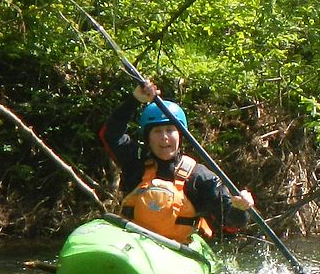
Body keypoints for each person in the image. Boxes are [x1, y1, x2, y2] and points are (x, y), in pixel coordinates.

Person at [101, 80, 255, 242]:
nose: (164, 137)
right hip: (133, 241)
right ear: (147, 137)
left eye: (170, 130)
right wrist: (134, 100)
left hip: (176, 250)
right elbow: (109, 135)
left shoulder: (200, 177)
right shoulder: (135, 160)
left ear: (181, 136)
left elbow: (231, 224)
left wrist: (240, 208)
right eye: (157, 131)